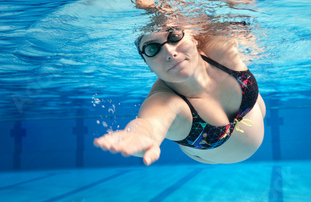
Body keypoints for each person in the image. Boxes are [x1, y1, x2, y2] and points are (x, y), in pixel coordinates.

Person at [94, 26, 266, 165]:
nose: (169, 52)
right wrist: (140, 135)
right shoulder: (166, 100)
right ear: (148, 66)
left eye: (174, 36)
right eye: (152, 48)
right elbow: (151, 122)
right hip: (216, 157)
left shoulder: (220, 49)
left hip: (253, 111)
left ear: (193, 38)